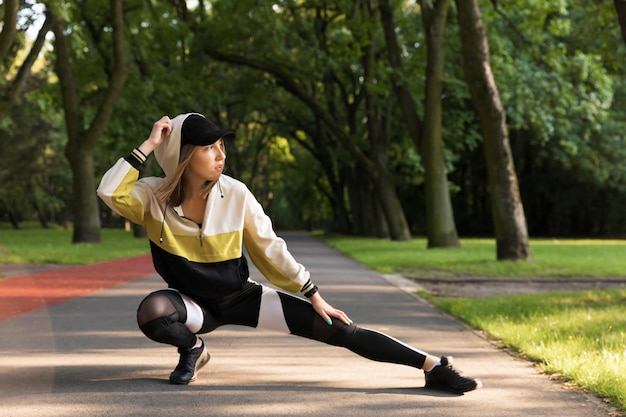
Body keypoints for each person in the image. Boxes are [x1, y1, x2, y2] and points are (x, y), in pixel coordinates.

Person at [97, 112, 482, 393]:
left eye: (221, 146)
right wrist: (149, 144)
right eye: (208, 148)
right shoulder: (151, 196)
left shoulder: (237, 194)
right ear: (182, 156)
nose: (220, 155)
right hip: (191, 305)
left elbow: (269, 248)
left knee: (339, 330)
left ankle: (434, 366)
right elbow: (109, 192)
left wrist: (314, 295)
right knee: (153, 311)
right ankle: (193, 348)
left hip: (241, 297)